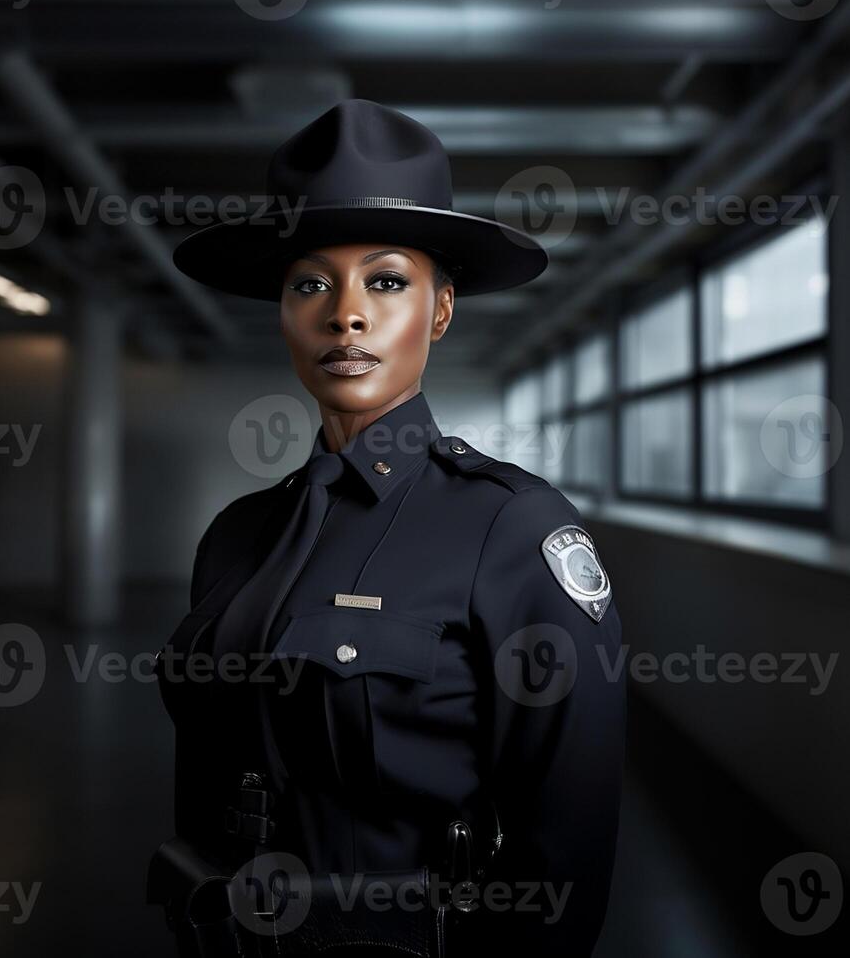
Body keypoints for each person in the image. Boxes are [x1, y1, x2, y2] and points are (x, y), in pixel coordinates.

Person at [151, 99, 626, 958]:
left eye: (386, 280)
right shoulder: (236, 534)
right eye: (309, 284)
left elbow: (568, 845)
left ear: (439, 312)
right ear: (284, 313)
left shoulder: (513, 526)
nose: (346, 315)